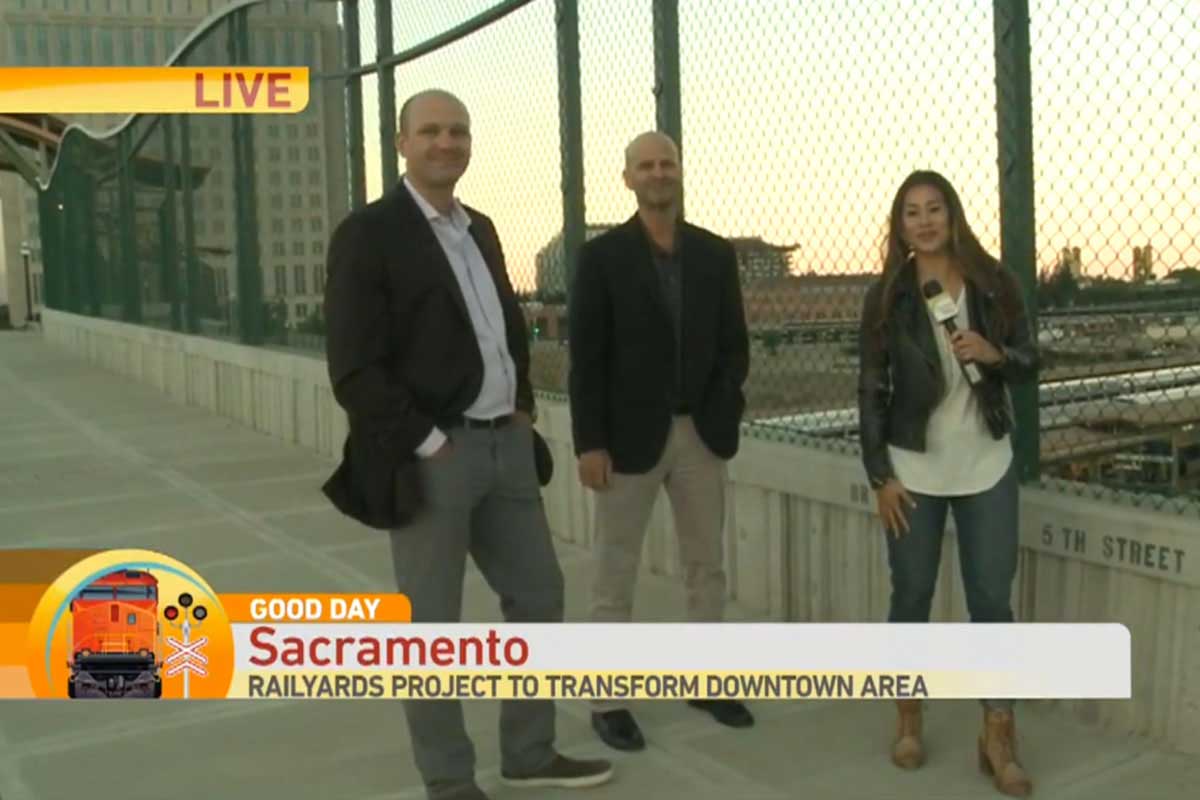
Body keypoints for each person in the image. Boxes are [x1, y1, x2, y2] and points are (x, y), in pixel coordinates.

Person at [321, 89, 612, 800]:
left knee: (540, 597)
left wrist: (518, 410)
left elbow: (499, 330)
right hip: (434, 458)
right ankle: (449, 781)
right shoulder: (369, 233)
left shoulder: (479, 227)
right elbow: (353, 367)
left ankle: (529, 754)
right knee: (430, 627)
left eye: (457, 131)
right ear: (401, 143)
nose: (446, 143)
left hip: (505, 448)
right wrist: (426, 442)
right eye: (430, 131)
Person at [567, 131, 753, 752]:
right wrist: (589, 441)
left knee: (707, 566)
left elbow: (734, 345)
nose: (657, 173)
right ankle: (607, 699)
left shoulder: (714, 253)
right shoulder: (601, 258)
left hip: (700, 434)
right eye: (645, 165)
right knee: (614, 572)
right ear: (628, 179)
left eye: (666, 163)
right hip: (624, 441)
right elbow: (586, 358)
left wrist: (725, 404)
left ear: (679, 172)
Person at [857, 170, 1038, 797]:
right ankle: (909, 717)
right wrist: (879, 474)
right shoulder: (887, 296)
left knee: (991, 601)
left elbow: (1032, 360)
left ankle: (998, 734)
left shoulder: (994, 283)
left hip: (986, 464)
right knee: (911, 596)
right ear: (900, 225)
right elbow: (871, 393)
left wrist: (996, 354)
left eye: (935, 208)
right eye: (912, 212)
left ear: (953, 215)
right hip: (914, 472)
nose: (926, 220)